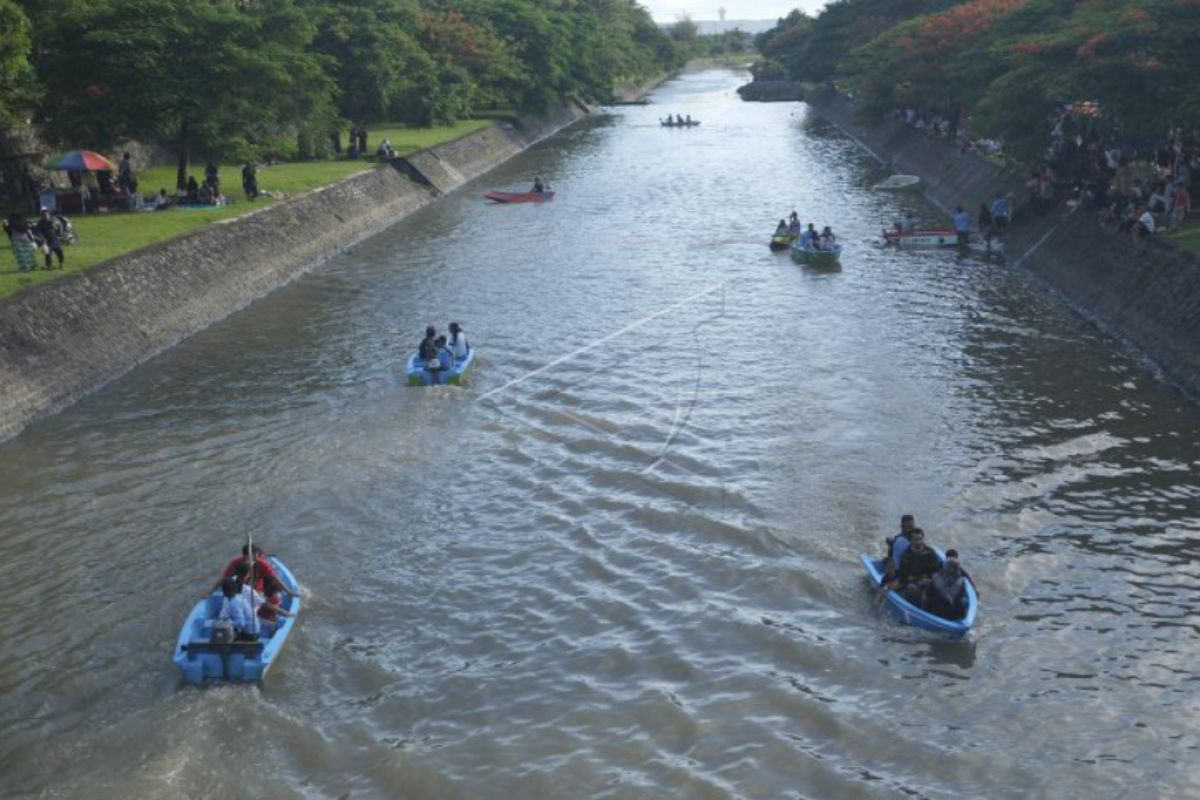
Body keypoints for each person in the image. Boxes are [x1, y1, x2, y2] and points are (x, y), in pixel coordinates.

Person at [888, 528, 942, 607]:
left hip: (929, 582)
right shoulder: (905, 556)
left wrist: (930, 580)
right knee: (911, 589)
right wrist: (918, 581)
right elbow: (904, 576)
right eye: (916, 540)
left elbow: (936, 570)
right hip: (914, 583)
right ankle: (918, 609)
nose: (919, 542)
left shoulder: (930, 553)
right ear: (910, 541)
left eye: (920, 539)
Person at [926, 550, 970, 619]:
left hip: (937, 611)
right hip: (953, 613)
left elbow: (928, 595)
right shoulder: (961, 581)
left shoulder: (936, 578)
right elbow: (963, 597)